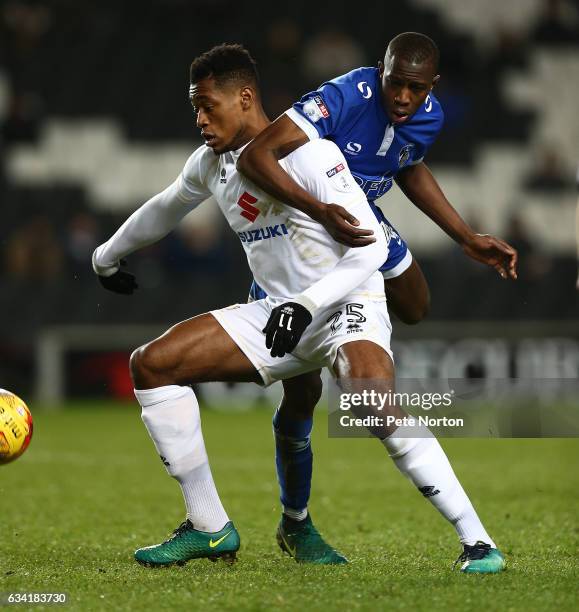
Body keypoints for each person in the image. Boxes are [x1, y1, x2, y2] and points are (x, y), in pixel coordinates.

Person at [93, 44, 505, 573]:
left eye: (207, 106)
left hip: (342, 303)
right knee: (151, 364)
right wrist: (107, 256)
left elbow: (372, 251)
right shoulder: (210, 164)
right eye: (194, 107)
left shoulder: (313, 155)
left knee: (372, 400)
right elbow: (164, 208)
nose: (199, 119)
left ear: (244, 98)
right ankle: (210, 527)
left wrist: (307, 306)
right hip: (279, 311)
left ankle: (478, 543)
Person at [237, 32, 516, 564]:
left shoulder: (427, 117)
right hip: (306, 238)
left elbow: (408, 165)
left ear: (432, 86)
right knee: (300, 396)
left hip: (362, 230)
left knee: (415, 305)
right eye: (395, 84)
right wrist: (318, 211)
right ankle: (295, 519)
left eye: (415, 89)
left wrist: (465, 237)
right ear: (379, 71)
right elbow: (260, 155)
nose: (403, 98)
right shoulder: (344, 96)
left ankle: (358, 328)